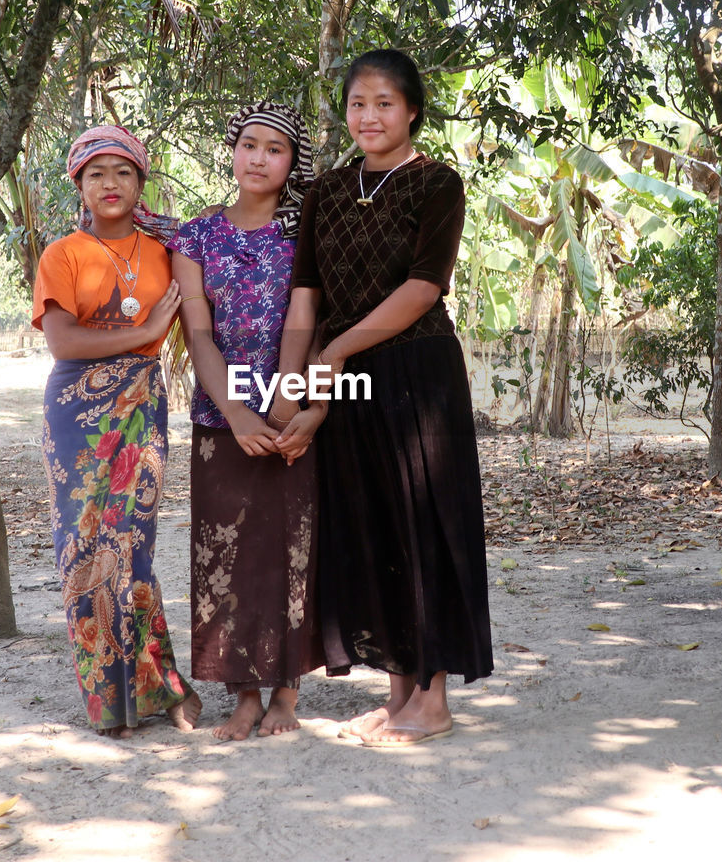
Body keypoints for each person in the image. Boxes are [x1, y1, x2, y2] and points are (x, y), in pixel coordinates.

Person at [270, 49, 493, 747]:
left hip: (415, 375)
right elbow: (306, 294)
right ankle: (399, 696)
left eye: (385, 104)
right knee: (372, 532)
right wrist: (299, 378)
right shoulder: (326, 193)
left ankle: (432, 703)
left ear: (413, 110)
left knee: (422, 527)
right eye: (358, 104)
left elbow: (424, 288)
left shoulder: (436, 185)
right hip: (347, 386)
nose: (370, 116)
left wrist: (335, 353)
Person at [33, 125, 200, 739]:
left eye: (123, 172)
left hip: (141, 403)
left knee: (132, 545)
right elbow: (63, 340)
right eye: (97, 173)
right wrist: (145, 330)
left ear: (140, 182)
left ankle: (158, 689)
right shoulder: (63, 253)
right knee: (83, 546)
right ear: (79, 182)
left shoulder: (165, 251)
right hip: (75, 410)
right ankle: (109, 702)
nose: (111, 184)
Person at [170, 102, 326, 741]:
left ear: (293, 164)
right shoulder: (196, 235)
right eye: (249, 145)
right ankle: (244, 693)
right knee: (226, 554)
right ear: (232, 151)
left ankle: (287, 694)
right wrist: (234, 413)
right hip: (220, 418)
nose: (259, 158)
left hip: (293, 416)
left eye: (276, 149)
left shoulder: (307, 235)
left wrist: (300, 403)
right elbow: (198, 335)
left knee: (291, 549)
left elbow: (314, 322)